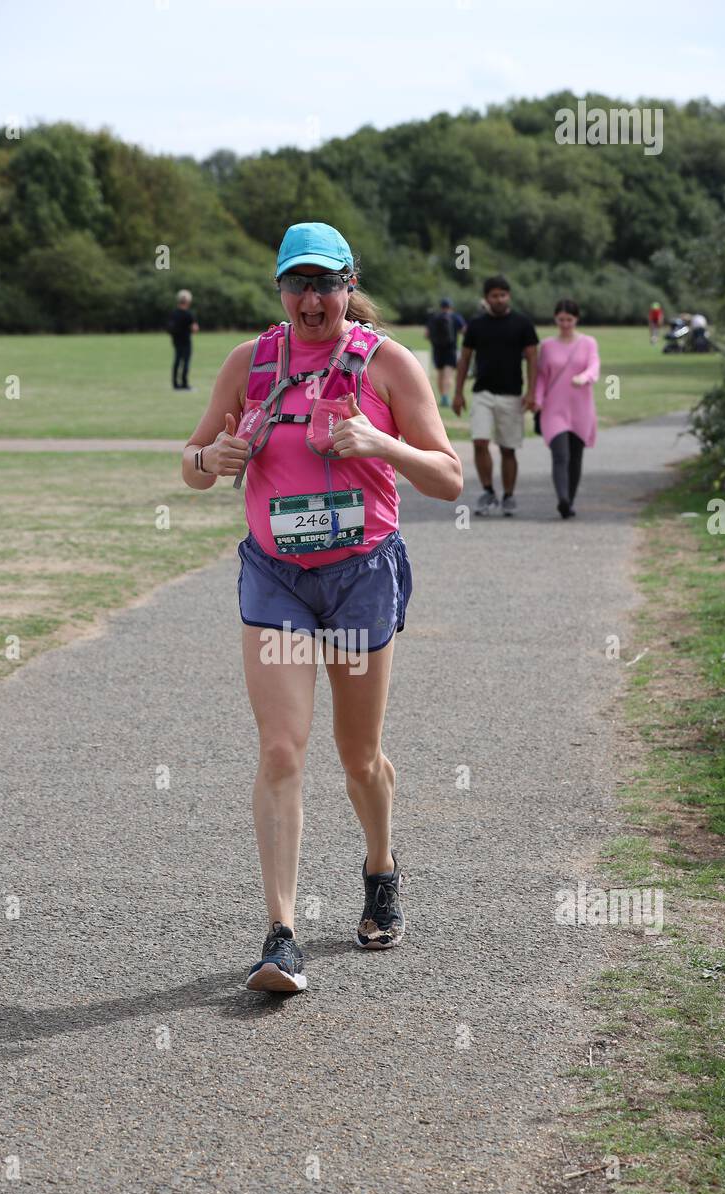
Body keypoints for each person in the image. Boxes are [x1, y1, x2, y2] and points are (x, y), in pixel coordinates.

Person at [182, 222, 462, 993]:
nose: (312, 299)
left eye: (326, 283)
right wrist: (213, 458)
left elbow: (447, 478)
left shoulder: (387, 362)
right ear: (280, 289)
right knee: (280, 750)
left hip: (359, 576)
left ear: (349, 285)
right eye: (297, 284)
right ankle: (281, 935)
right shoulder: (252, 362)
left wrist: (380, 444)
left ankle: (380, 869)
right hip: (276, 579)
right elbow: (192, 463)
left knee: (358, 756)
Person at [452, 275, 538, 517]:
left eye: (502, 295)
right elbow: (465, 359)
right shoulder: (477, 325)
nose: (498, 299)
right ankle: (488, 490)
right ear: (486, 298)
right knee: (480, 441)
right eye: (494, 295)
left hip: (512, 394)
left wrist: (531, 391)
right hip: (483, 393)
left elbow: (533, 357)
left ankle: (509, 495)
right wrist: (458, 393)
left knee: (508, 448)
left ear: (508, 296)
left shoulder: (522, 324)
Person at [534, 298, 600, 519]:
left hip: (581, 407)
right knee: (560, 454)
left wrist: (584, 377)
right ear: (555, 319)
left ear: (576, 319)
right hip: (554, 408)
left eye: (569, 319)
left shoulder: (588, 342)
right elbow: (542, 377)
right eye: (561, 319)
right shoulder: (547, 346)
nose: (565, 324)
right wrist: (537, 400)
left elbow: (594, 365)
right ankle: (562, 498)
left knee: (576, 457)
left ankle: (569, 501)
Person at [424, 297, 466, 406]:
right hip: (450, 349)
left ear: (441, 306)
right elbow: (464, 331)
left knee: (440, 374)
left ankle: (442, 396)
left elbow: (427, 335)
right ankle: (445, 397)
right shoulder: (455, 317)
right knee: (448, 374)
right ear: (451, 307)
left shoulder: (434, 318)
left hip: (437, 349)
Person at [168, 289, 199, 390]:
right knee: (185, 362)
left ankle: (175, 384)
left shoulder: (173, 313)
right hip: (186, 341)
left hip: (176, 341)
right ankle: (184, 383)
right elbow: (195, 329)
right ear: (188, 301)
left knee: (177, 360)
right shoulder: (188, 314)